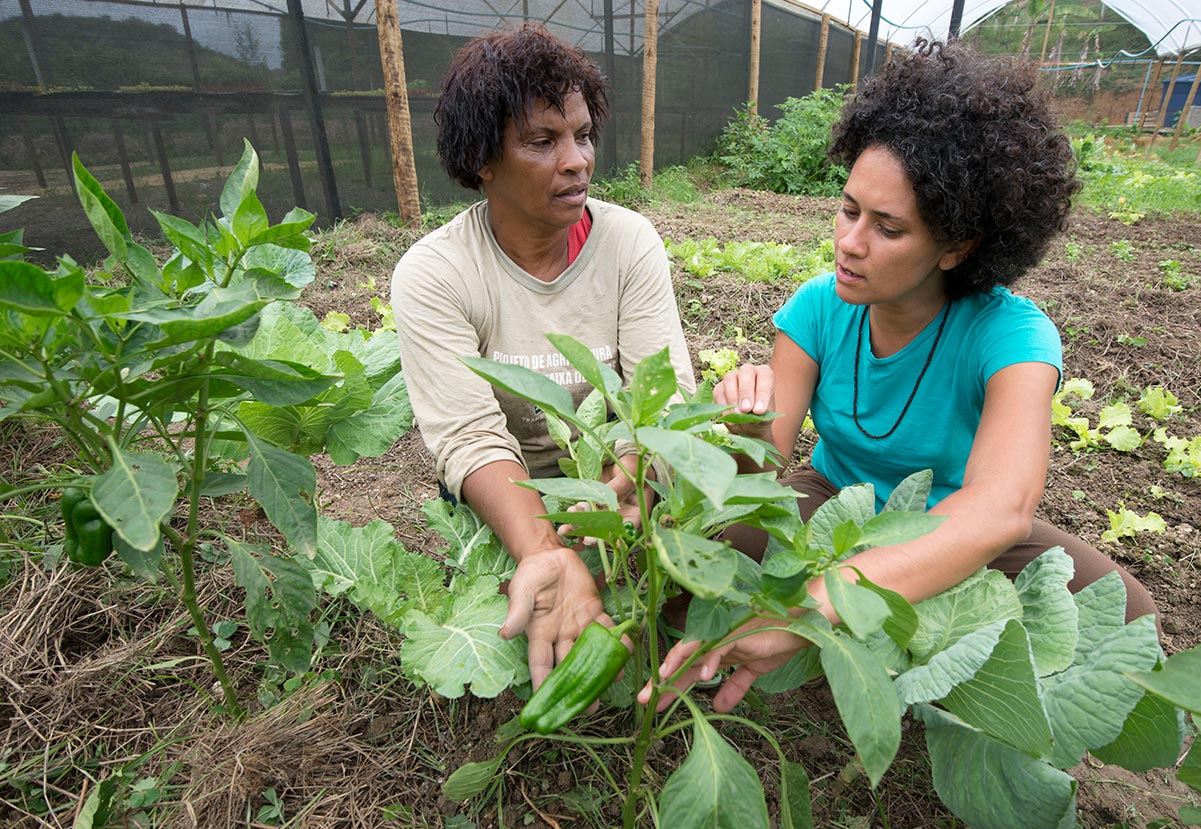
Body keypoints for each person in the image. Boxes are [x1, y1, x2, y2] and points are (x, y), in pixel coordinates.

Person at [640, 40, 1158, 714]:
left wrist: (816, 605)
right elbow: (761, 469)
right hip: (834, 504)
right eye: (849, 209)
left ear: (957, 247)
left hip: (949, 521)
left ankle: (858, 615)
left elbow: (1000, 506)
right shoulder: (816, 308)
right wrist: (744, 425)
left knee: (1125, 614)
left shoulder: (1011, 336)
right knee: (704, 549)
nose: (850, 242)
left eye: (888, 228)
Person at [391, 26, 695, 690]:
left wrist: (626, 484)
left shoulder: (629, 243)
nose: (577, 160)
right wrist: (544, 547)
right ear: (482, 159)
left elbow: (663, 399)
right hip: (509, 491)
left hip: (615, 483)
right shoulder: (436, 273)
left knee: (675, 594)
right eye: (542, 141)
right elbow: (469, 437)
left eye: (583, 135)